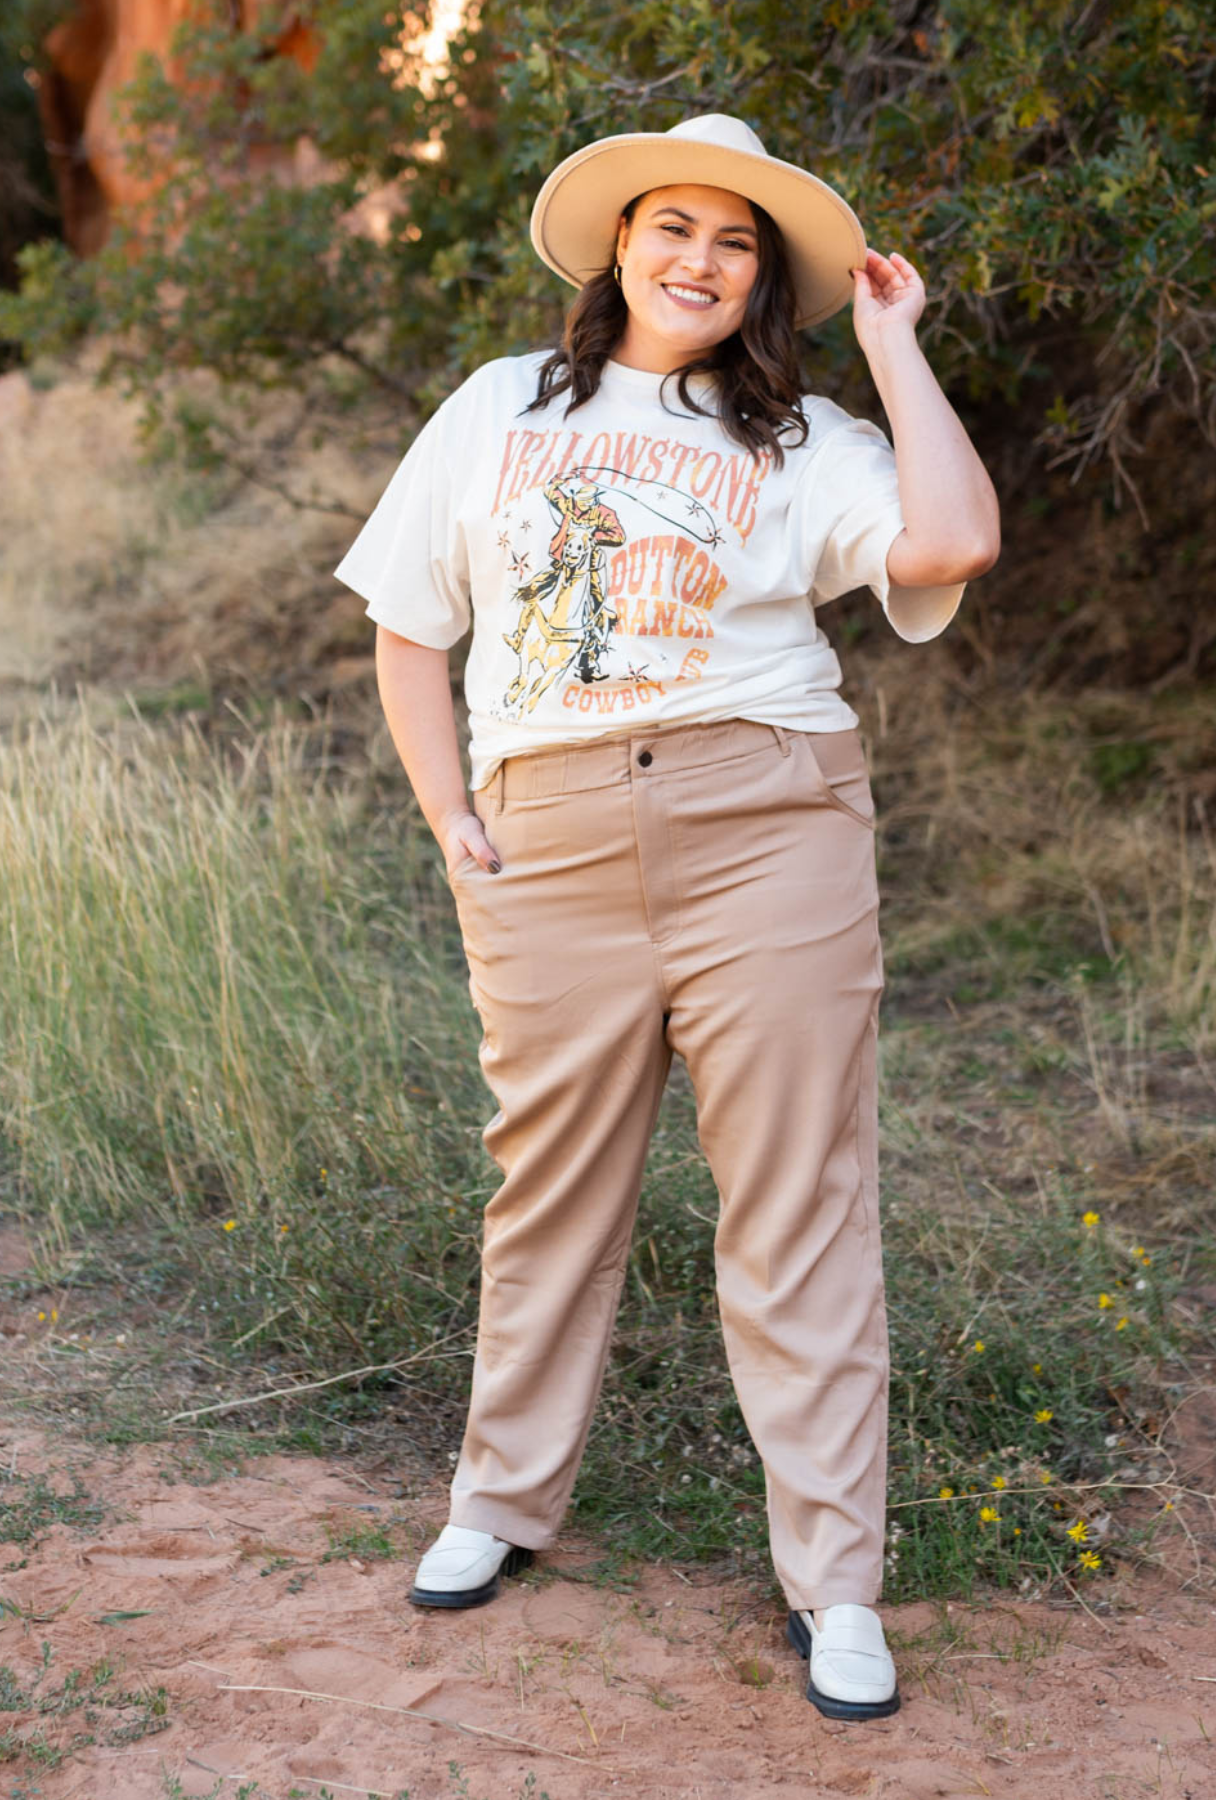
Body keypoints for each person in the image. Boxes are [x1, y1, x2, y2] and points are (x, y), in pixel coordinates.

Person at [333, 112, 1000, 1723]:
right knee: (546, 1184)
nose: (698, 259)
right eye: (673, 227)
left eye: (736, 241)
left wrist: (896, 346)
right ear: (620, 243)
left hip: (764, 814)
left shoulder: (807, 436)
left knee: (796, 1204)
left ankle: (835, 1581)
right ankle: (498, 1504)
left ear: (765, 278)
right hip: (549, 831)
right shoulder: (503, 405)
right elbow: (411, 635)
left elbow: (953, 538)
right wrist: (450, 823)